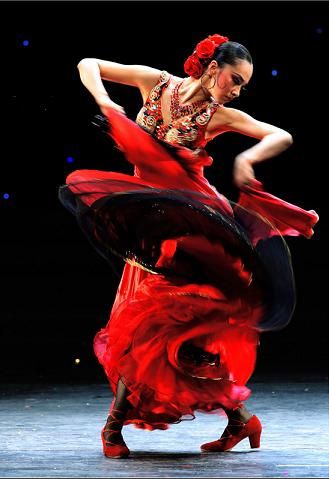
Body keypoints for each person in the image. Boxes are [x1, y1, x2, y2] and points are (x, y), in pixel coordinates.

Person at [59, 33, 318, 459]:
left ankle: (113, 427)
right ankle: (241, 421)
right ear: (213, 68)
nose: (236, 90)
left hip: (194, 228)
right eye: (234, 79)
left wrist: (246, 160)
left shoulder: (219, 116)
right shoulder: (154, 82)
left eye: (242, 86)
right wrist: (106, 103)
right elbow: (88, 62)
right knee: (167, 331)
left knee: (150, 323)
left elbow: (281, 135)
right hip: (151, 224)